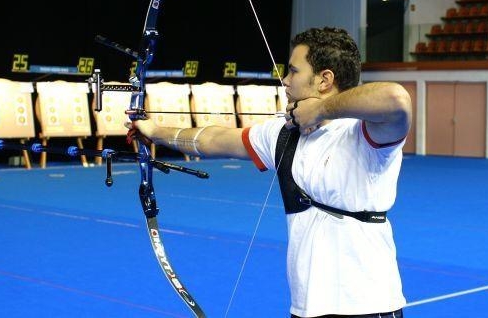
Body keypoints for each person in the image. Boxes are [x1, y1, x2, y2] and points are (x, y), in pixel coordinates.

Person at [128, 27, 412, 318]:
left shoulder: (364, 133)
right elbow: (213, 140)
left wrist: (321, 109)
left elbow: (396, 99)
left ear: (325, 80)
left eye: (293, 71)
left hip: (368, 305)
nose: (285, 81)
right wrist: (156, 132)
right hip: (308, 306)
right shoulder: (283, 132)